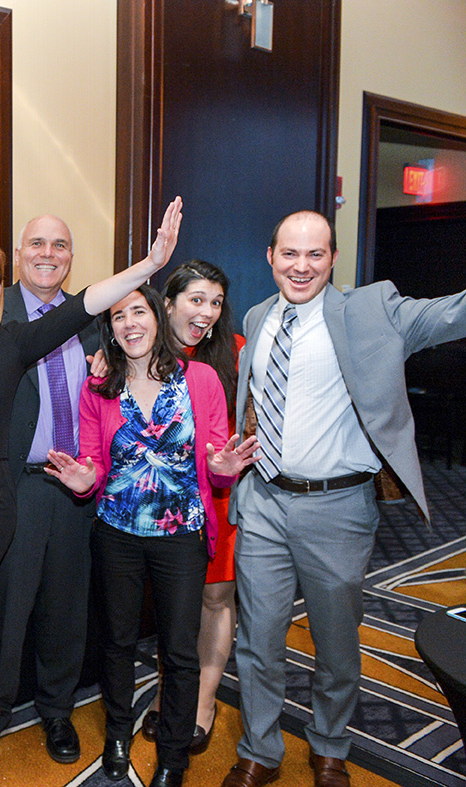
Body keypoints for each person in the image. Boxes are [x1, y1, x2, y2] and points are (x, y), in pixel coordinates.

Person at [0, 197, 183, 787]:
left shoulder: (17, 340)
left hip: (36, 492)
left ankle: (38, 710)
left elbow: (87, 306)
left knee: (61, 609)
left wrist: (150, 264)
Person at [221, 210, 466, 787]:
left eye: (315, 254)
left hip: (337, 509)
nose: (301, 266)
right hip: (262, 502)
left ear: (333, 259)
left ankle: (330, 744)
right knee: (257, 639)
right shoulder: (258, 317)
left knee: (334, 640)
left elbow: (450, 314)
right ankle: (260, 749)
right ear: (270, 256)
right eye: (290, 254)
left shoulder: (371, 309)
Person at [45, 284, 257, 787]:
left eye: (138, 311)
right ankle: (117, 735)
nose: (129, 323)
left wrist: (225, 469)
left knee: (179, 651)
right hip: (117, 531)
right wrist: (84, 479)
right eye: (118, 317)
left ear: (158, 318)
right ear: (110, 331)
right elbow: (94, 458)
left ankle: (173, 757)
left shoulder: (200, 379)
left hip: (181, 533)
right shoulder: (99, 388)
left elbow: (216, 465)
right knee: (116, 643)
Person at [0, 214, 98, 769]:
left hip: (74, 491)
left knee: (65, 607)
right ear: (18, 253)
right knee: (3, 612)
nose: (49, 253)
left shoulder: (94, 323)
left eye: (61, 245)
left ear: (72, 256)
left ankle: (57, 711)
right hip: (12, 487)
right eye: (38, 243)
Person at [138, 260, 243, 755]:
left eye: (216, 303)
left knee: (215, 598)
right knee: (175, 604)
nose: (206, 313)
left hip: (217, 494)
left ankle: (202, 698)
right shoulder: (138, 351)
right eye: (196, 300)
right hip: (159, 503)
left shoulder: (236, 352)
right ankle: (170, 690)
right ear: (169, 303)